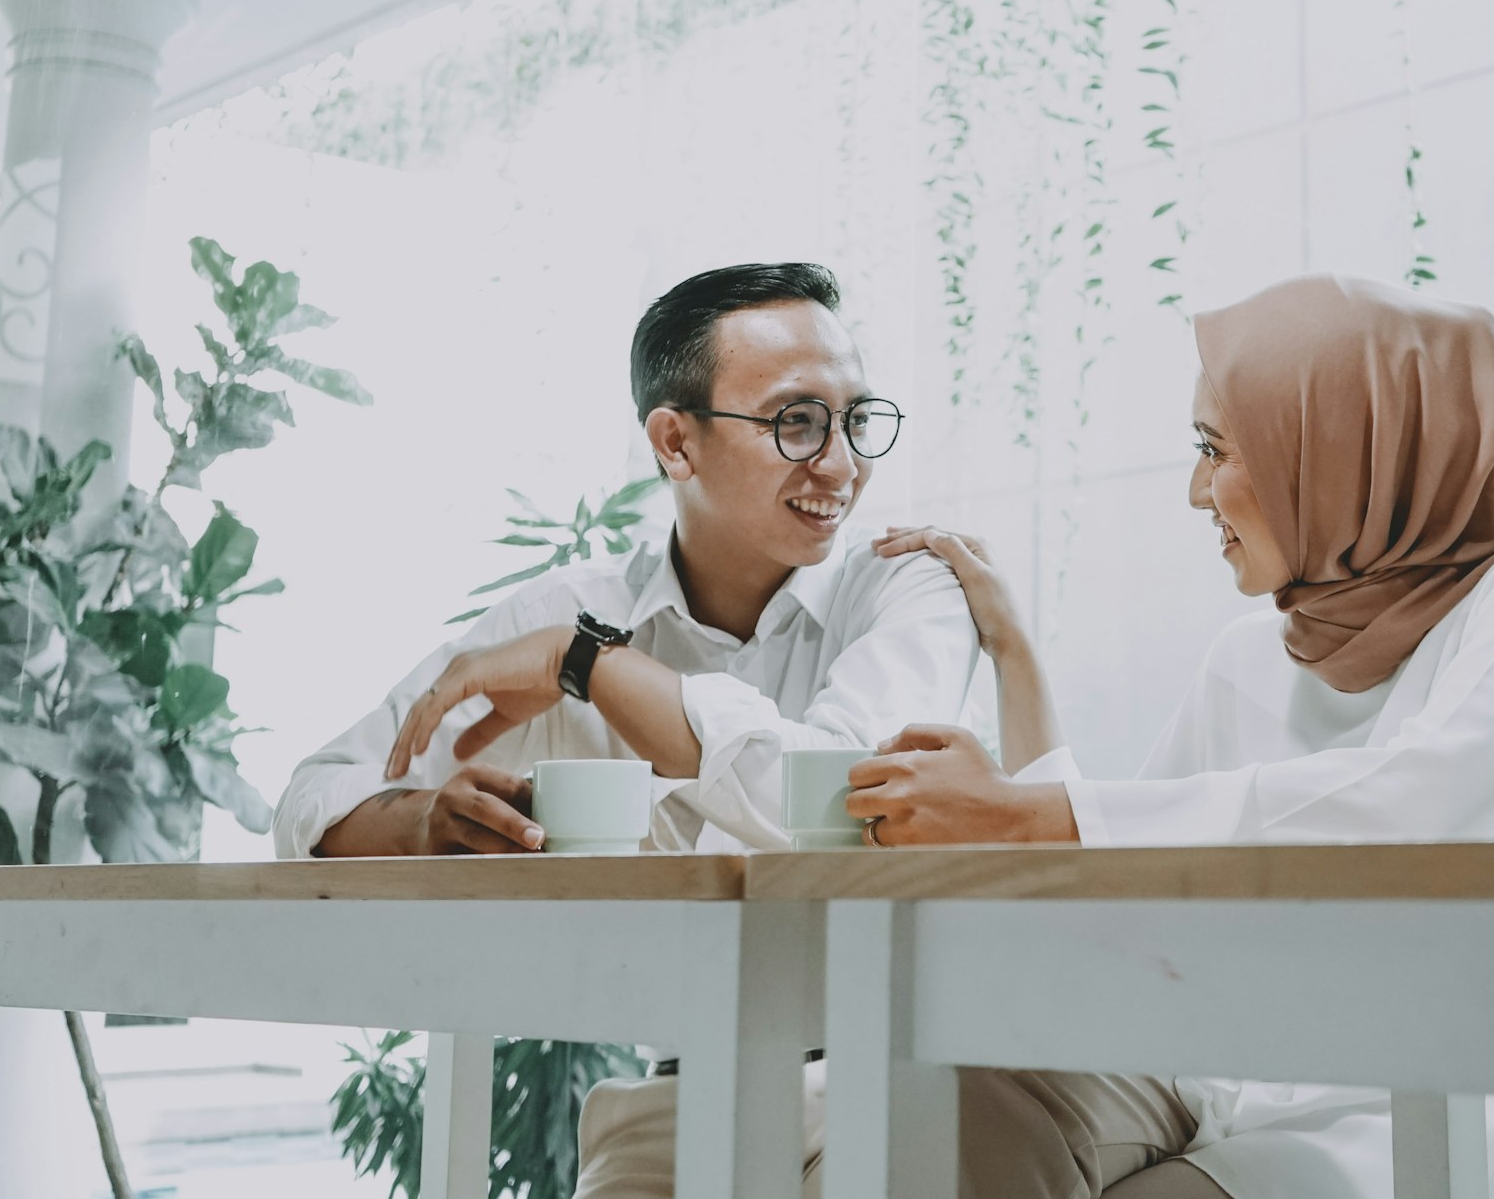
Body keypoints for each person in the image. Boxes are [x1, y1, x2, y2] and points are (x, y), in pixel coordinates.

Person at [853, 272, 1494, 1199]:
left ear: (1338, 448)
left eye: (1214, 448)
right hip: (1232, 1085)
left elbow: (1421, 809)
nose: (1196, 491)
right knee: (946, 1115)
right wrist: (1011, 654)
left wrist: (1023, 813)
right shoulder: (1249, 655)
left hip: (1447, 1108)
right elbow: (1114, 888)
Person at [271, 260, 980, 1198]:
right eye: (796, 421)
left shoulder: (910, 585)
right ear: (675, 442)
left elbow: (835, 793)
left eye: (854, 419)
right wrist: (421, 823)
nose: (842, 464)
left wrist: (590, 665)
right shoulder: (575, 605)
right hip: (679, 1096)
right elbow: (317, 790)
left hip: (911, 1076)